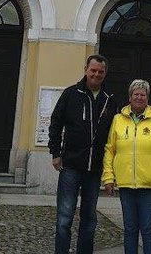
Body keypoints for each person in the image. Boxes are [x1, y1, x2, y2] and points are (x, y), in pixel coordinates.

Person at [49, 54, 118, 254]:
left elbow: (114, 135)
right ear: (86, 70)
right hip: (70, 165)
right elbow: (56, 123)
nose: (96, 74)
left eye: (100, 72)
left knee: (89, 219)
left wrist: (110, 168)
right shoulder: (71, 94)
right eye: (93, 70)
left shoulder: (109, 100)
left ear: (105, 73)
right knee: (64, 217)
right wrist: (55, 152)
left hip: (94, 169)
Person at [102, 79, 151, 254]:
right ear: (130, 97)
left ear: (148, 98)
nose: (139, 97)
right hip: (126, 184)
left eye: (143, 94)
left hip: (150, 184)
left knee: (148, 229)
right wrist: (108, 177)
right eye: (136, 94)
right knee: (130, 229)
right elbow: (110, 149)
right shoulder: (118, 119)